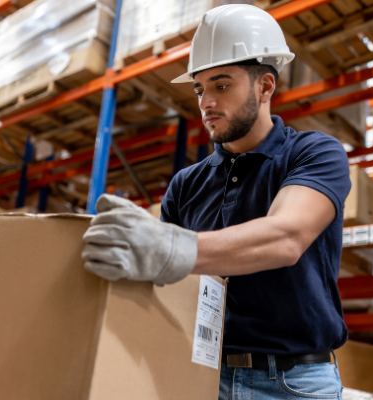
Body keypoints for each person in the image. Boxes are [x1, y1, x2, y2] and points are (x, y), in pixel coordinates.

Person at [81, 5, 351, 400]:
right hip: (204, 377)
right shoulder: (186, 184)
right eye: (199, 89)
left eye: (221, 85)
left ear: (265, 87)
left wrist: (166, 246)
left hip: (296, 383)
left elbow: (286, 237)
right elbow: (168, 290)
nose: (205, 101)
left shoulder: (314, 153)